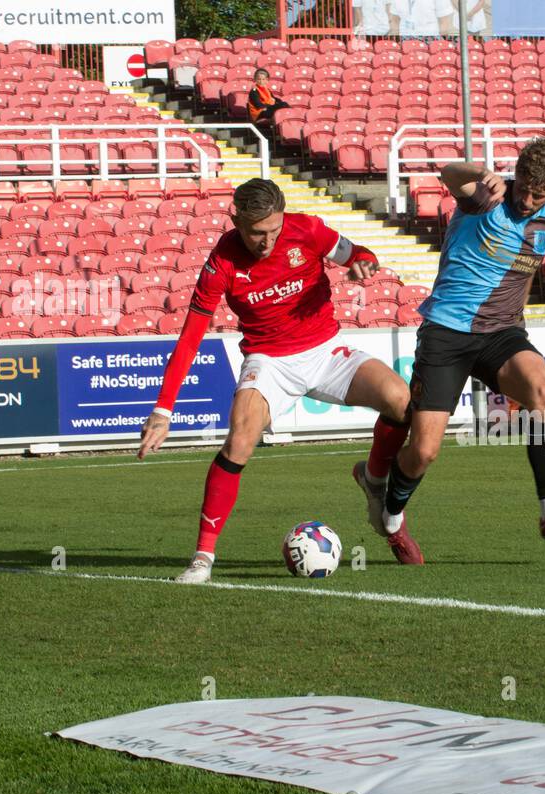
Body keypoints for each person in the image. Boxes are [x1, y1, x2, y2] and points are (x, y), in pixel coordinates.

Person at [139, 178, 420, 583]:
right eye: (256, 233)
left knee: (401, 401)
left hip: (325, 351)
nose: (266, 241)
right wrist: (164, 410)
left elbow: (355, 252)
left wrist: (364, 260)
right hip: (269, 361)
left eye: (273, 230)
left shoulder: (306, 229)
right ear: (236, 220)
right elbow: (190, 336)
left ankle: (374, 481)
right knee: (239, 440)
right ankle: (202, 558)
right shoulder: (222, 263)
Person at [364, 138, 545, 555]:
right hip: (447, 333)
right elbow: (448, 176)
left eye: (537, 194)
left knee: (542, 391)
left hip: (501, 333)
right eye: (523, 185)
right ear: (516, 173)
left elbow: (522, 276)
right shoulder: (487, 196)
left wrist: (518, 329)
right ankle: (392, 518)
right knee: (424, 451)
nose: (526, 198)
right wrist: (477, 172)